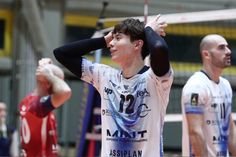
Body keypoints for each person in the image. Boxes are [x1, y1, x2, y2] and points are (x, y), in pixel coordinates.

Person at [54, 15, 173, 157]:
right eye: (112, 38)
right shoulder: (105, 76)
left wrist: (148, 30)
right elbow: (61, 54)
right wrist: (103, 40)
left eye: (118, 38)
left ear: (137, 44)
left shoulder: (155, 79)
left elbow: (159, 48)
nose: (111, 43)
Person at [181, 34, 236, 157]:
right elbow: (195, 132)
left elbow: (231, 131)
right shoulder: (196, 86)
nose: (228, 51)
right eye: (221, 48)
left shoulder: (225, 85)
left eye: (227, 47)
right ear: (206, 54)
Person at [19, 58, 71, 157]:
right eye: (59, 82)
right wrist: (49, 75)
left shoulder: (27, 102)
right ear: (48, 83)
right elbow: (66, 92)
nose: (60, 85)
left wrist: (46, 69)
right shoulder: (37, 107)